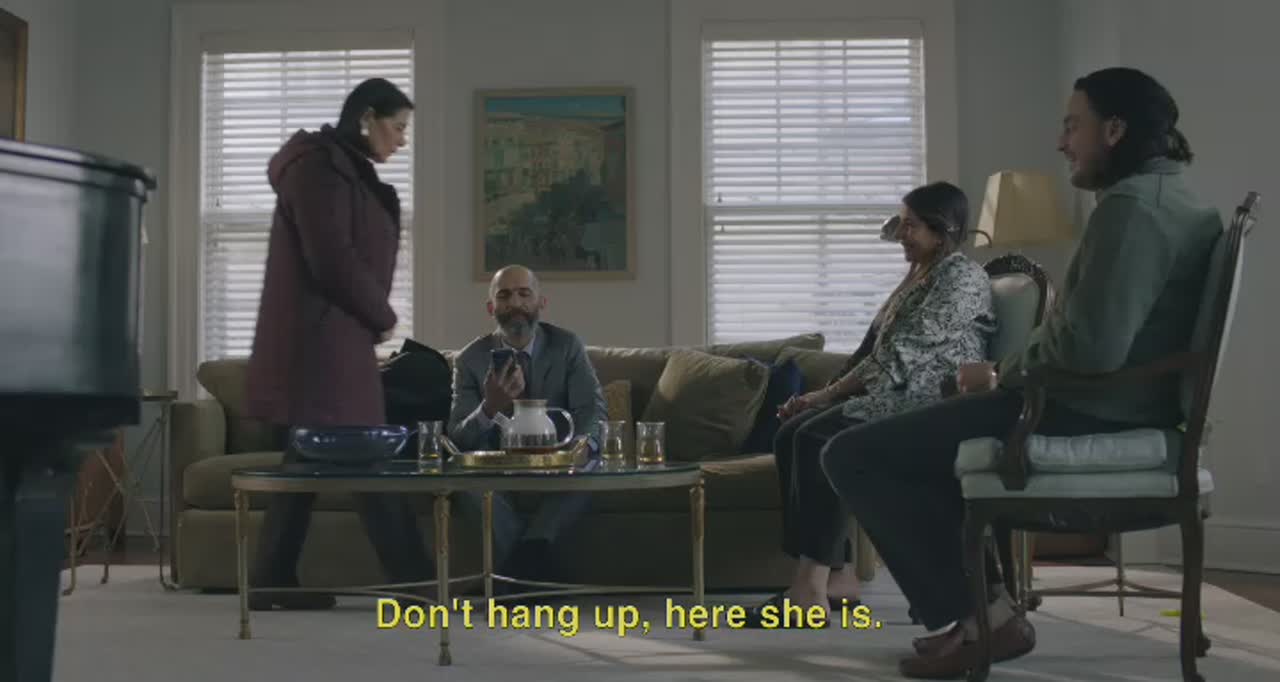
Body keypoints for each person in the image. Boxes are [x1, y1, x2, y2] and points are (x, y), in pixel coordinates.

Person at [820, 67, 1222, 678]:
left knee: (852, 455)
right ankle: (981, 616)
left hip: (1087, 407)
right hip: (1116, 401)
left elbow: (1091, 349)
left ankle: (983, 618)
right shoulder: (1178, 200)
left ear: (1114, 130)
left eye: (1073, 126)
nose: (1062, 142)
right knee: (916, 447)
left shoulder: (1132, 210)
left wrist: (1000, 373)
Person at [742, 182, 997, 628]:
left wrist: (825, 396)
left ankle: (808, 591)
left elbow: (902, 353)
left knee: (815, 438)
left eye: (911, 226)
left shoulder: (961, 278)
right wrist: (817, 396)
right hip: (895, 393)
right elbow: (871, 350)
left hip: (929, 398)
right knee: (791, 433)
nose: (901, 234)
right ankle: (838, 576)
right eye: (901, 223)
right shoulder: (918, 276)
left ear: (942, 230)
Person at [244, 78, 432, 610]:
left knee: (308, 459)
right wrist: (382, 315)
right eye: (398, 127)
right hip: (322, 343)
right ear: (367, 117)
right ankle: (417, 581)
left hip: (335, 338)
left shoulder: (344, 169)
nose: (402, 140)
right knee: (367, 455)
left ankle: (271, 578)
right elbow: (331, 256)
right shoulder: (318, 168)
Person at [448, 265, 608, 590]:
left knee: (593, 464)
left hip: (557, 461)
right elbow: (459, 437)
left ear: (541, 303)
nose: (515, 303)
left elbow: (593, 410)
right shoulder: (470, 359)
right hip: (496, 466)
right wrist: (489, 406)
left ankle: (521, 566)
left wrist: (581, 445)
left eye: (524, 294)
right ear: (491, 307)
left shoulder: (566, 346)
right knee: (462, 480)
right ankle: (539, 575)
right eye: (504, 295)